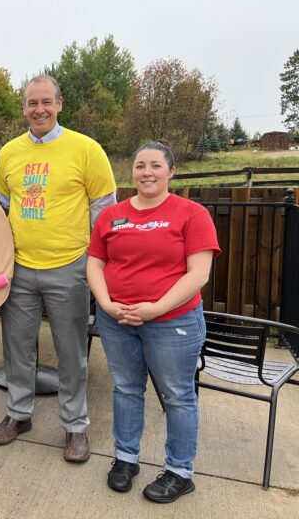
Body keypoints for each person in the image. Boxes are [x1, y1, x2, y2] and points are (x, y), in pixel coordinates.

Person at [0, 75, 116, 463]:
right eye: (32, 103)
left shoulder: (86, 149)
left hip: (70, 266)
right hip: (20, 268)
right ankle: (19, 413)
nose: (39, 109)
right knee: (17, 347)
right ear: (24, 108)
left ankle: (75, 425)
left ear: (60, 104)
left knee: (72, 350)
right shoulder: (9, 153)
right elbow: (1, 209)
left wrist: (95, 262)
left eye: (46, 102)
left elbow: (104, 210)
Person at [87, 141, 219, 503]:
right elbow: (95, 264)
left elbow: (199, 274)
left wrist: (155, 308)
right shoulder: (112, 215)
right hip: (117, 320)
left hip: (172, 322)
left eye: (156, 166)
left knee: (177, 396)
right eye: (140, 165)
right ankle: (126, 458)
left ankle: (179, 471)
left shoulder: (191, 214)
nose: (147, 172)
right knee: (127, 388)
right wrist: (106, 304)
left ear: (171, 172)